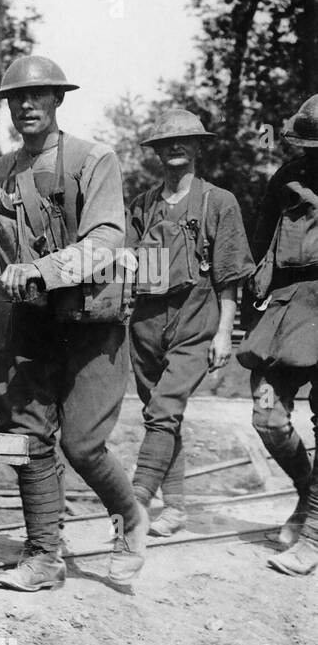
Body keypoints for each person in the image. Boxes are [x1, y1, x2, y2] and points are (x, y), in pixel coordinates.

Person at [0, 54, 148, 590]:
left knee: (84, 444)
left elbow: (106, 238)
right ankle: (45, 555)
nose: (26, 105)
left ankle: (131, 516)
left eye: (37, 95)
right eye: (16, 98)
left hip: (92, 324)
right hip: (32, 324)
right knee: (30, 436)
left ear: (57, 100)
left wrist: (42, 269)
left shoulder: (95, 160)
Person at [126, 110, 253, 537]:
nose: (175, 147)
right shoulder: (142, 205)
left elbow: (230, 275)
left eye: (184, 140)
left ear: (198, 146)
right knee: (161, 414)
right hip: (145, 323)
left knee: (163, 412)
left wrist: (223, 332)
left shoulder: (219, 202)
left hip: (196, 320)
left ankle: (133, 504)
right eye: (166, 142)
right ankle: (175, 508)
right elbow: (125, 266)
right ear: (157, 152)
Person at [237, 93, 318, 575]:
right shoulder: (285, 178)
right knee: (267, 415)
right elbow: (257, 249)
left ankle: (313, 537)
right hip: (288, 305)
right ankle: (307, 496)